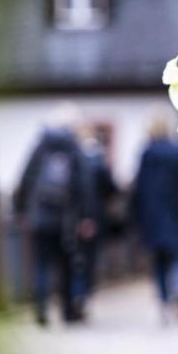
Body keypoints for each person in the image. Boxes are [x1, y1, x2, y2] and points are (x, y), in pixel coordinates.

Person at [13, 104, 96, 326]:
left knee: (40, 263)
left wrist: (20, 209)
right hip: (65, 219)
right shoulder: (74, 147)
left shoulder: (41, 145)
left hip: (39, 216)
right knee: (66, 264)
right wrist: (87, 217)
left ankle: (40, 308)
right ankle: (67, 311)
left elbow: (26, 178)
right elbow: (84, 185)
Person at [131, 118, 178, 323]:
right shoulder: (177, 152)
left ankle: (165, 304)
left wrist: (137, 216)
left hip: (152, 216)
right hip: (175, 214)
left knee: (159, 262)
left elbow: (138, 188)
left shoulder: (146, 154)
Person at [72, 124, 118, 314]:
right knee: (90, 260)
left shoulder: (72, 157)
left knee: (74, 259)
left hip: (73, 217)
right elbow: (110, 188)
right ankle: (84, 294)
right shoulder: (98, 159)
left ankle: (75, 294)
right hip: (95, 217)